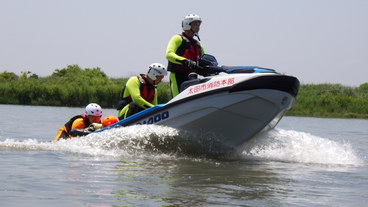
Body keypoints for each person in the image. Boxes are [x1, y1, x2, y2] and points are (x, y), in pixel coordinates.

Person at [166, 14, 205, 97]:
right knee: (179, 98)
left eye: (199, 24)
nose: (198, 27)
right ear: (187, 24)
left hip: (193, 77)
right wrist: (186, 61)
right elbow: (169, 54)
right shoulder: (177, 38)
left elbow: (204, 59)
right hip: (178, 76)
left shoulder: (198, 44)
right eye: (195, 24)